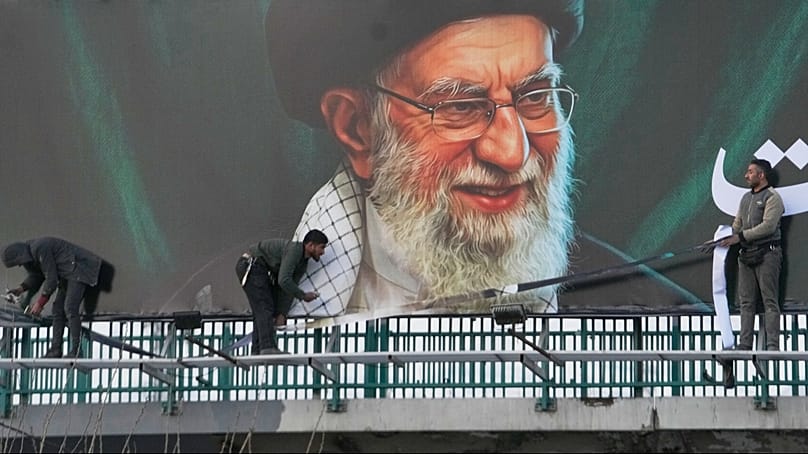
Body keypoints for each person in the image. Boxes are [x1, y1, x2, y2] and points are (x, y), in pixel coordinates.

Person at [266, 0, 708, 321]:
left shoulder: (662, 323)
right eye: (460, 106)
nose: (512, 152)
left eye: (535, 97)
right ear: (357, 129)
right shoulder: (232, 315)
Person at [2, 237, 109, 358]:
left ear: (21, 255)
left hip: (79, 269)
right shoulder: (31, 253)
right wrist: (20, 289)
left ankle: (77, 351)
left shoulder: (40, 248)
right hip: (67, 273)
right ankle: (55, 349)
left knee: (70, 308)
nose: (20, 265)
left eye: (19, 262)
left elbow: (51, 279)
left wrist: (40, 303)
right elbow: (37, 275)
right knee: (57, 310)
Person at [718, 159, 784, 351]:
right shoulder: (745, 198)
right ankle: (745, 343)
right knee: (746, 302)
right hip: (746, 255)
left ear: (761, 175)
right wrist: (722, 240)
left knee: (769, 300)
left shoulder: (773, 197)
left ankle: (773, 345)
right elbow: (737, 224)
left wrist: (740, 237)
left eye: (750, 172)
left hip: (768, 254)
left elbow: (768, 227)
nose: (746, 176)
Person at [235, 229, 328, 354]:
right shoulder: (295, 251)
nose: (323, 252)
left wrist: (282, 313)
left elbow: (288, 288)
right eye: (321, 247)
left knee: (263, 309)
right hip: (252, 265)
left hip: (260, 270)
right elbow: (284, 280)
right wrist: (303, 296)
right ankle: (267, 347)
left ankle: (258, 348)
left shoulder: (302, 263)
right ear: (310, 245)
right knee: (264, 307)